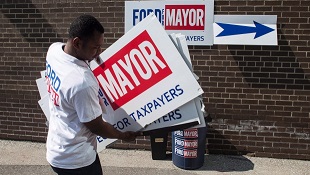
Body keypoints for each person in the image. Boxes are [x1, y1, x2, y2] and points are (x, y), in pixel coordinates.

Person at [45, 14, 140, 175]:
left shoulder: (54, 50)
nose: (99, 52)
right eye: (95, 47)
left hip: (56, 149)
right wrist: (122, 135)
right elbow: (97, 126)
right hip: (77, 159)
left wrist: (90, 56)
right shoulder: (82, 82)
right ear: (77, 43)